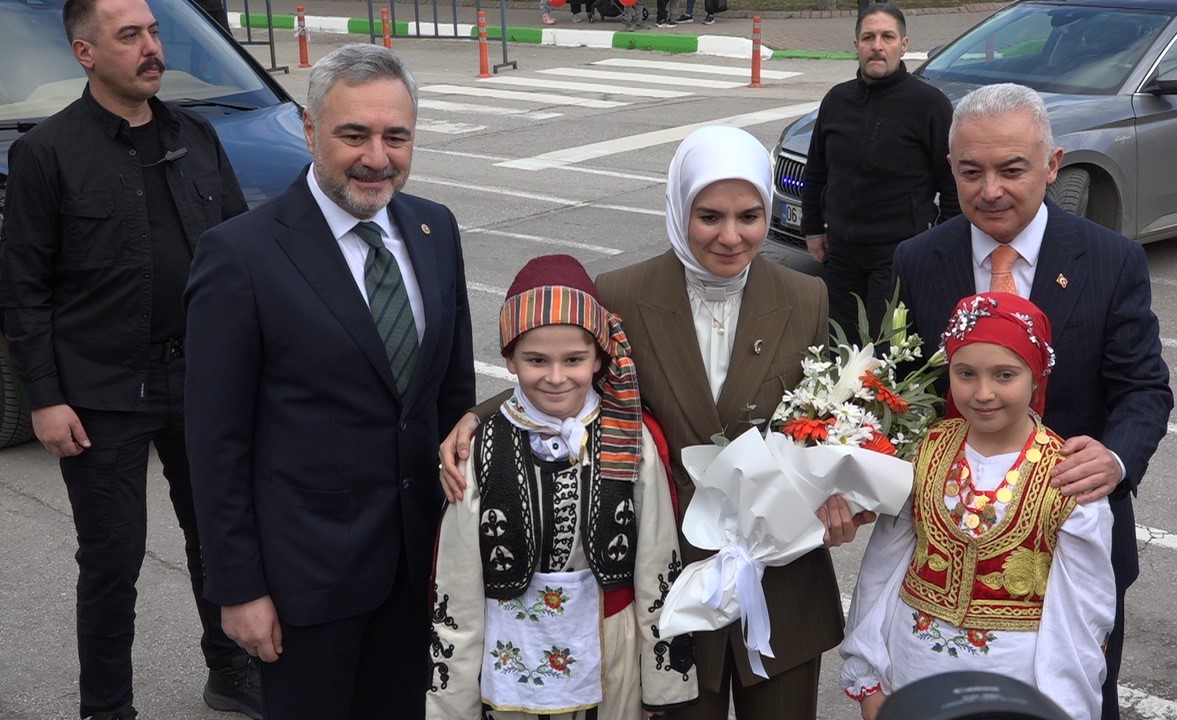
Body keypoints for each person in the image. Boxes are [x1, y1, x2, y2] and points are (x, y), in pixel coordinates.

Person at [440, 126, 875, 720]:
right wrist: (478, 415)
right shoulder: (621, 293)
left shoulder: (805, 297)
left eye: (749, 216)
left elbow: (828, 418)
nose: (730, 236)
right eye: (709, 216)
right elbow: (563, 370)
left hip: (781, 577)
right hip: (670, 580)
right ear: (679, 207)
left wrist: (848, 492)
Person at [183, 43, 475, 720]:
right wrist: (238, 589)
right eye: (354, 135)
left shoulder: (435, 229)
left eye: (395, 136)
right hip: (304, 590)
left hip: (419, 571)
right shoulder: (242, 255)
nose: (378, 157)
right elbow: (215, 442)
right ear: (311, 130)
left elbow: (451, 400)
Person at [0, 0, 257, 715]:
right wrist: (46, 396)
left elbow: (243, 261)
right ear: (86, 54)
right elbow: (23, 290)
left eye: (152, 32)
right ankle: (106, 707)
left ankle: (231, 672)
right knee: (112, 563)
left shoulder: (196, 135)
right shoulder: (47, 154)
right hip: (104, 391)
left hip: (203, 379)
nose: (152, 47)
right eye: (130, 36)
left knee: (220, 538)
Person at [892, 83, 1174, 720]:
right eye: (972, 171)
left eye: (1012, 169)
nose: (991, 190)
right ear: (951, 171)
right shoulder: (918, 258)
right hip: (951, 561)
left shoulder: (1111, 259)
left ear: (1053, 165)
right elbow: (903, 394)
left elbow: (1143, 388)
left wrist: (1115, 459)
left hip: (1074, 545)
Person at [427, 254, 698, 719]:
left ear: (598, 357)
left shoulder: (628, 436)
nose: (556, 377)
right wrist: (453, 706)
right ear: (509, 360)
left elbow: (658, 560)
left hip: (613, 647)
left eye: (574, 359)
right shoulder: (481, 446)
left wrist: (662, 686)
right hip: (507, 646)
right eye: (536, 360)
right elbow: (457, 582)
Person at [840, 292, 1115, 720]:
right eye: (965, 373)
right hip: (913, 667)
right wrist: (868, 672)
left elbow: (1082, 612)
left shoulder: (1069, 476)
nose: (983, 393)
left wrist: (1064, 707)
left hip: (1015, 680)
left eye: (1004, 375)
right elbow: (882, 566)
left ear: (1037, 377)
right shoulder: (925, 450)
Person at [801, 3, 959, 339]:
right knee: (837, 348)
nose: (877, 45)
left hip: (898, 257)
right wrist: (813, 228)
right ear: (856, 45)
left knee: (887, 354)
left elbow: (953, 185)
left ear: (903, 45)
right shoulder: (836, 100)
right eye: (868, 37)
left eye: (887, 36)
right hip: (840, 254)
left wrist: (938, 244)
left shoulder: (929, 105)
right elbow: (816, 170)